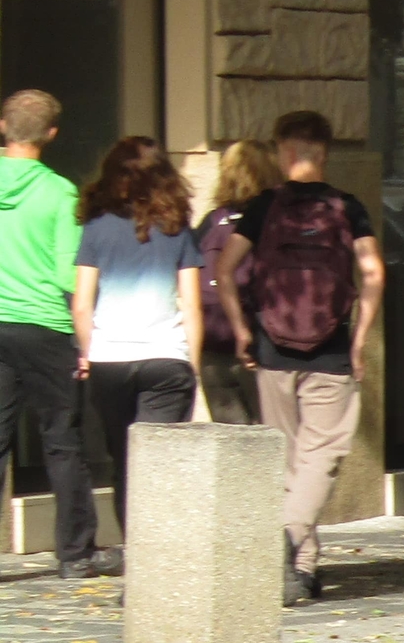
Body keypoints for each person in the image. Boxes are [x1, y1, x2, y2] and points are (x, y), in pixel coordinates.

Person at [212, 110, 385, 604]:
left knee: (291, 460)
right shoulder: (348, 208)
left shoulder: (264, 206)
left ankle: (300, 568)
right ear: (324, 153)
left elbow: (226, 269)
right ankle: (293, 542)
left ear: (284, 151)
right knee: (323, 456)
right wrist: (359, 338)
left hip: (273, 347)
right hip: (330, 349)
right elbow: (373, 273)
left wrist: (244, 329)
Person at [74, 137, 204, 545]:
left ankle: (136, 555)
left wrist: (88, 350)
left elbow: (81, 304)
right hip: (166, 359)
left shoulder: (95, 229)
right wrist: (192, 366)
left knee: (125, 463)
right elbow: (193, 306)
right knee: (161, 465)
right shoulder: (177, 230)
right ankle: (159, 560)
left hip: (109, 360)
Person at [0, 88, 99, 578]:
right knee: (61, 440)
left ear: (3, 126)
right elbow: (69, 275)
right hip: (44, 326)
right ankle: (75, 554)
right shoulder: (60, 191)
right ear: (52, 134)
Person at [192, 138, 279, 424]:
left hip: (213, 346)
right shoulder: (277, 220)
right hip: (259, 345)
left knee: (231, 445)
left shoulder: (211, 221)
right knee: (273, 439)